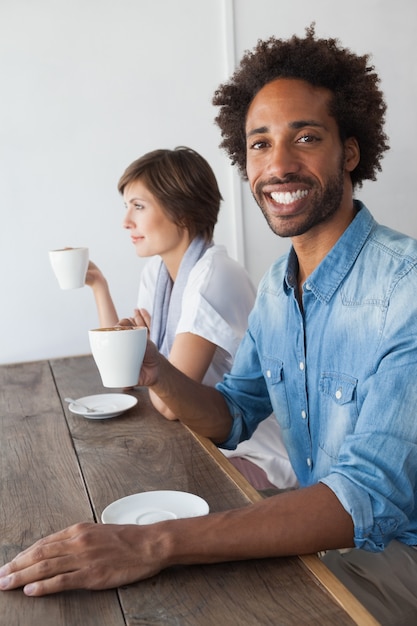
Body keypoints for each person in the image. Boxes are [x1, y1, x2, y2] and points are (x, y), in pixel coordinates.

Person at [1, 25, 416, 625]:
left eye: (305, 137)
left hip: (394, 554)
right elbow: (231, 414)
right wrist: (157, 369)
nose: (278, 165)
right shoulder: (279, 286)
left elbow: (367, 498)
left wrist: (156, 543)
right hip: (323, 530)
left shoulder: (403, 287)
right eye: (259, 144)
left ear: (349, 151)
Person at [86, 146, 296, 491]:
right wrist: (99, 287)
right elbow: (123, 376)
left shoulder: (214, 276)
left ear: (181, 211)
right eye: (127, 207)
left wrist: (146, 349)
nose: (126, 221)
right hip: (203, 438)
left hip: (254, 453)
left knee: (132, 486)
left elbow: (169, 406)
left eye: (138, 206)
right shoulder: (157, 273)